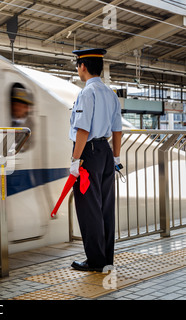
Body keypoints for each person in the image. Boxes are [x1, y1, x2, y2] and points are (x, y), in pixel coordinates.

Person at [69, 48, 122, 272]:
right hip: (106, 151)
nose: (78, 69)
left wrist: (75, 160)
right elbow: (117, 130)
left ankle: (95, 261)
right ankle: (106, 258)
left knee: (89, 207)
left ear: (83, 66)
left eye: (78, 65)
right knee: (105, 207)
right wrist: (116, 158)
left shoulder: (87, 93)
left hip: (89, 153)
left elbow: (82, 129)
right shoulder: (111, 93)